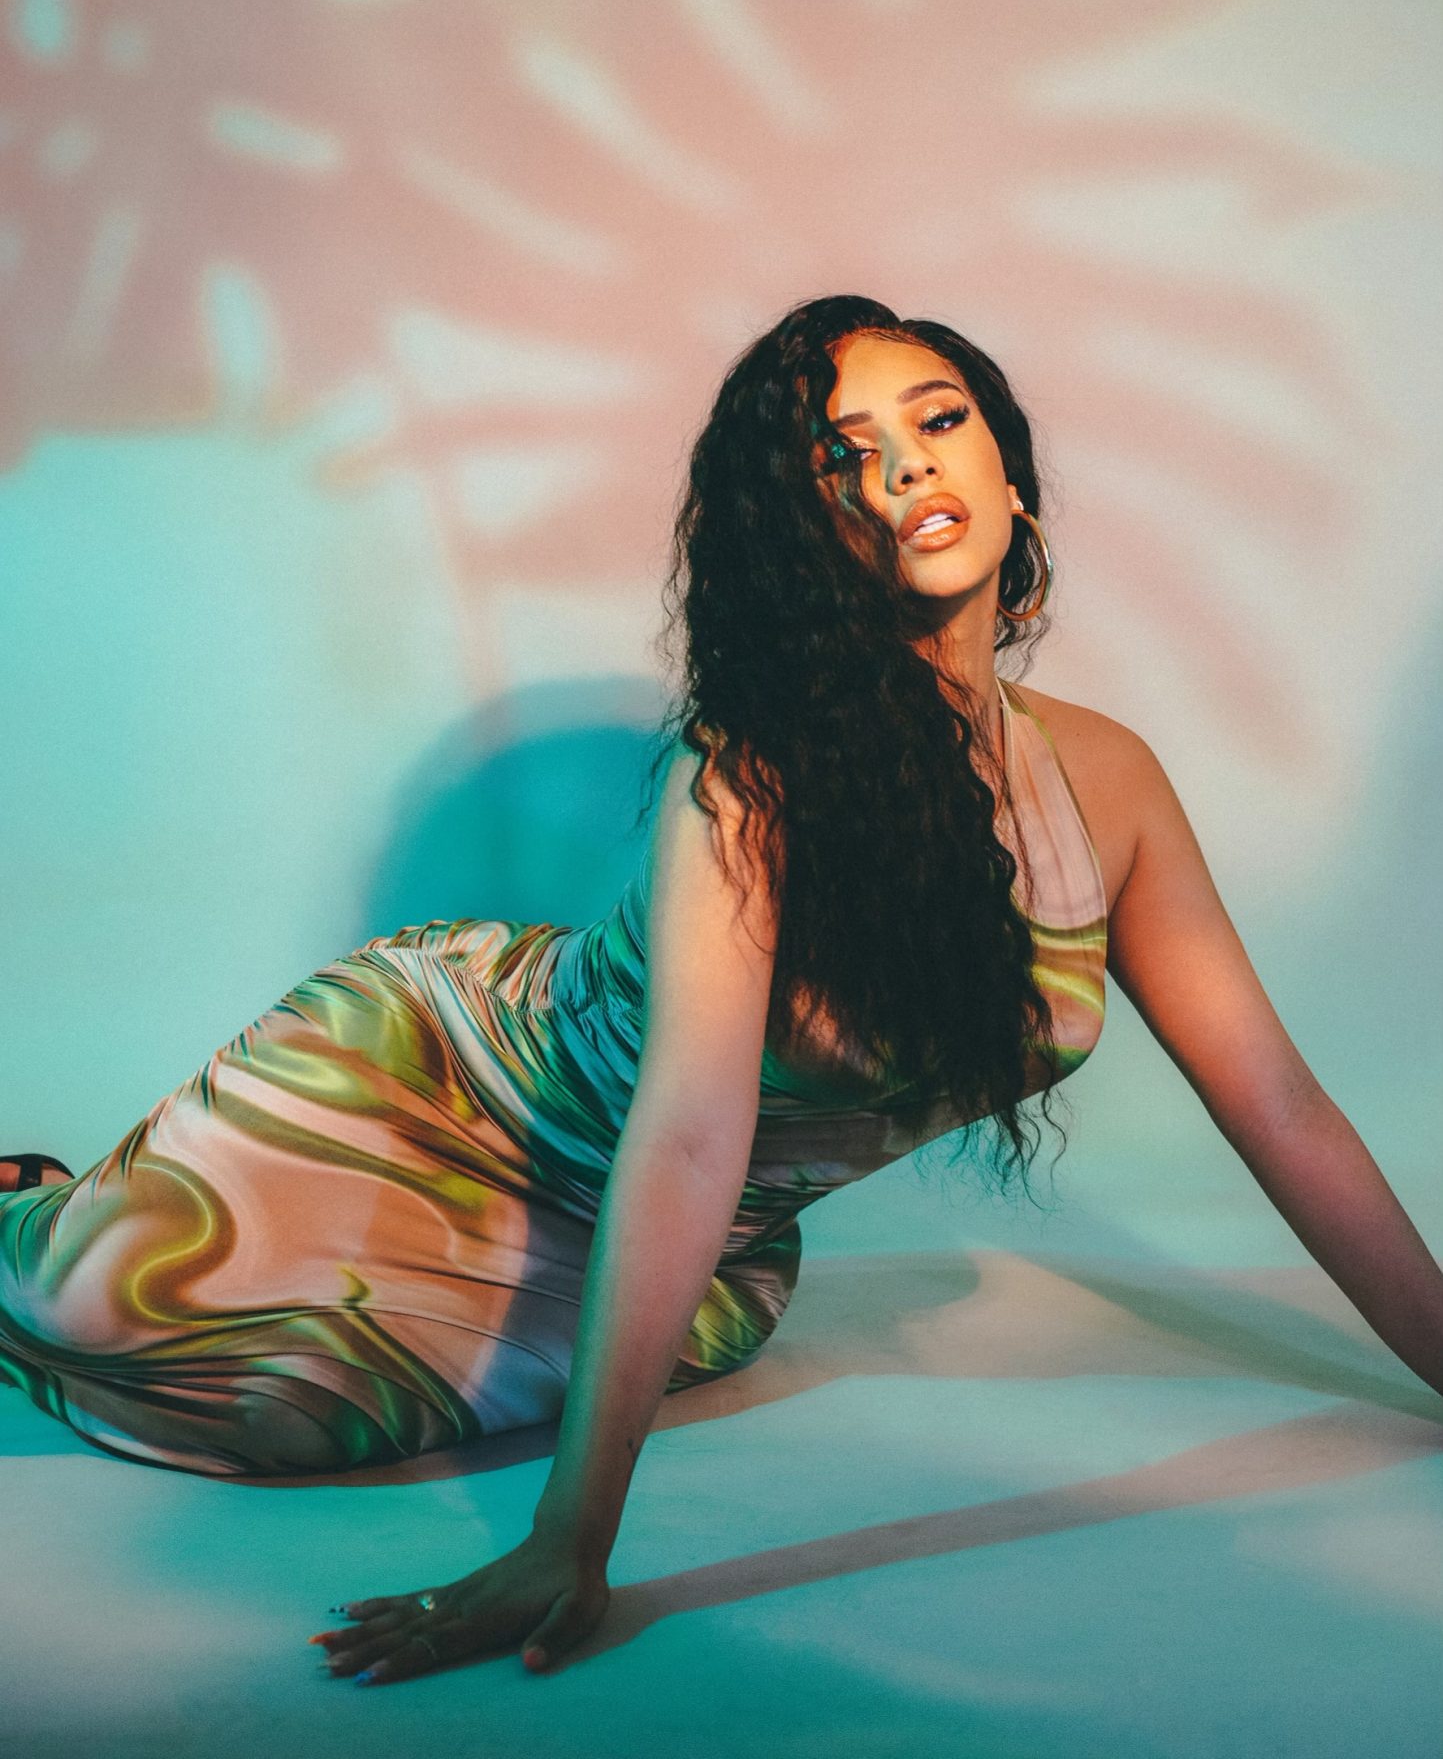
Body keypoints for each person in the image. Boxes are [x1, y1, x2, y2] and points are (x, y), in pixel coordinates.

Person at [3, 295, 1440, 1687]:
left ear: (1012, 475)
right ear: (805, 533)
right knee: (94, 1303)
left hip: (694, 1260)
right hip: (437, 1081)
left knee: (285, 1416)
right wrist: (571, 1543)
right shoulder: (747, 777)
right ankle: (36, 1206)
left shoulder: (1109, 781)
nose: (904, 466)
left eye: (938, 420)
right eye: (844, 454)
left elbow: (1280, 1103)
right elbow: (690, 1131)